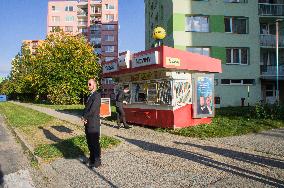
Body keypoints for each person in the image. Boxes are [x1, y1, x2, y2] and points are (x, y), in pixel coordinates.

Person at [81, 79, 101, 169]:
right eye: (87, 84)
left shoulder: (97, 95)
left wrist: (85, 117)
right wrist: (83, 117)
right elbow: (86, 108)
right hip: (88, 122)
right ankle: (92, 158)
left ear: (94, 85)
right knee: (89, 142)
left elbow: (92, 109)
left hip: (93, 123)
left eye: (90, 84)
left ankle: (97, 162)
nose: (88, 86)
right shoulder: (90, 95)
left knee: (94, 143)